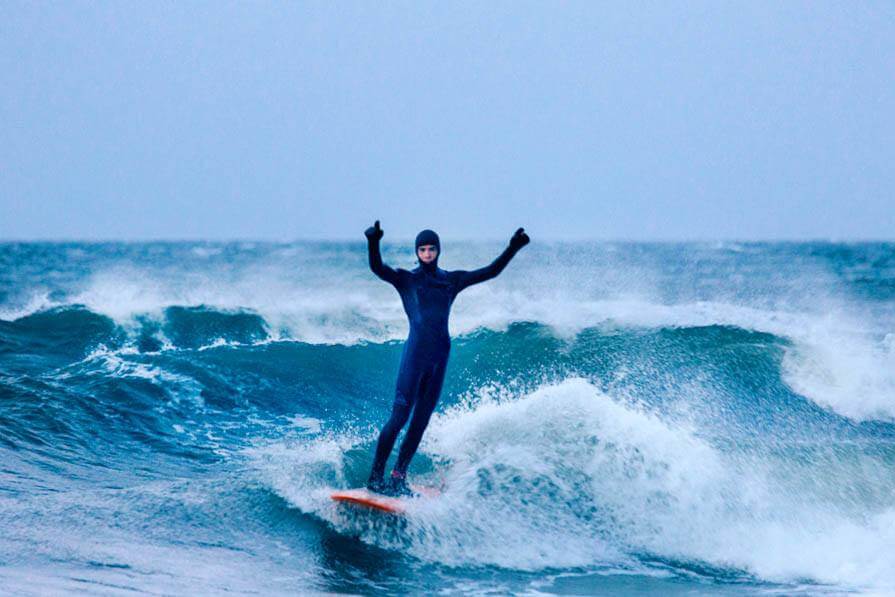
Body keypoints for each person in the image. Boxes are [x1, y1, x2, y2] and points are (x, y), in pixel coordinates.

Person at [364, 220, 530, 495]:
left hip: (440, 356)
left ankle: (398, 476)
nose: (427, 254)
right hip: (415, 355)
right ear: (416, 252)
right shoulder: (407, 279)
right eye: (422, 249)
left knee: (420, 422)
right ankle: (375, 477)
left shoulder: (451, 281)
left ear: (438, 250)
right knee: (399, 418)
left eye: (431, 249)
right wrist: (373, 242)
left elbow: (491, 272)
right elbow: (378, 269)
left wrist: (513, 247)